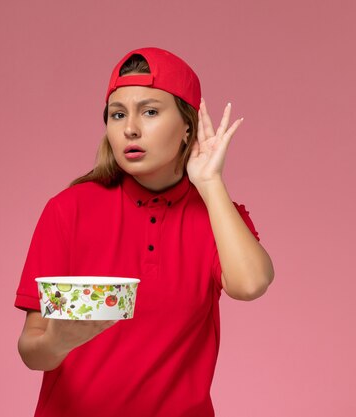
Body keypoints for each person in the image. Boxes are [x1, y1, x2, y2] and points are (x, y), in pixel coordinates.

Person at [15, 46, 274, 417]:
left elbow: (250, 285)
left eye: (150, 111)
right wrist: (57, 343)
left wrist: (210, 182)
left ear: (187, 125)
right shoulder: (69, 210)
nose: (130, 128)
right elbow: (31, 349)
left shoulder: (216, 216)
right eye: (117, 114)